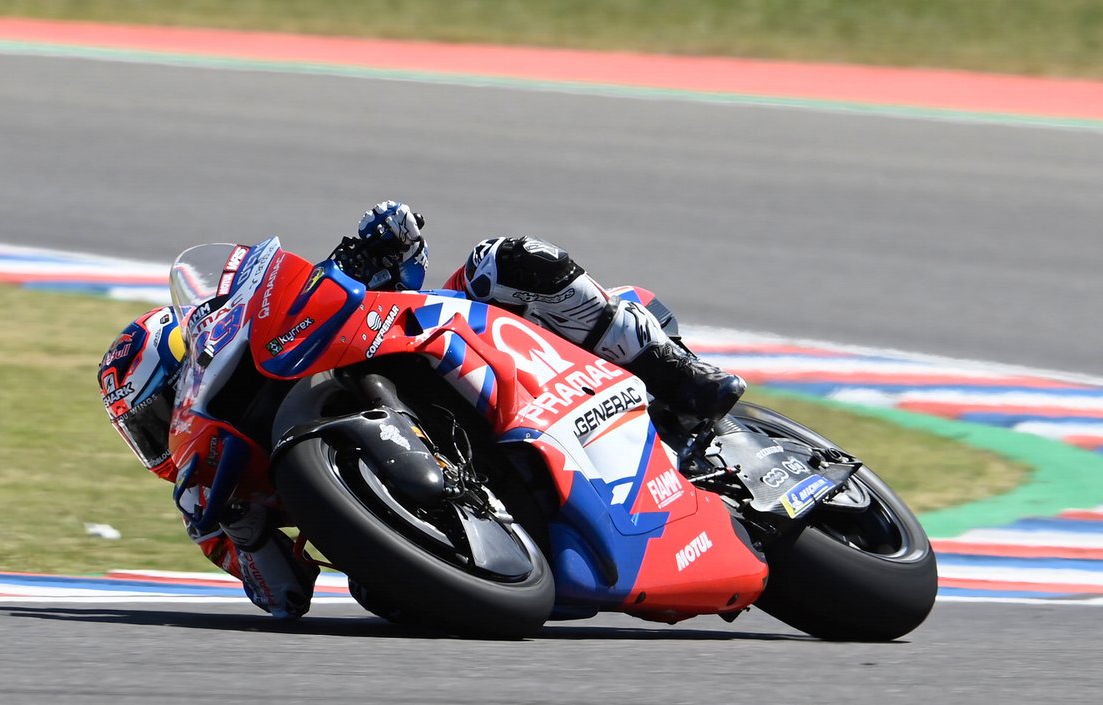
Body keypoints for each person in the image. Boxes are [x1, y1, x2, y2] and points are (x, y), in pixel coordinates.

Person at [97, 201, 745, 619]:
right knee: (379, 595)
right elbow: (283, 598)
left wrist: (373, 249)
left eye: (155, 415)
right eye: (144, 435)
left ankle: (671, 373)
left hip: (447, 352)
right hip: (454, 562)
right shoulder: (210, 505)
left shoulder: (274, 335)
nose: (160, 441)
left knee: (506, 261)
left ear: (187, 360)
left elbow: (369, 283)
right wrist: (243, 531)